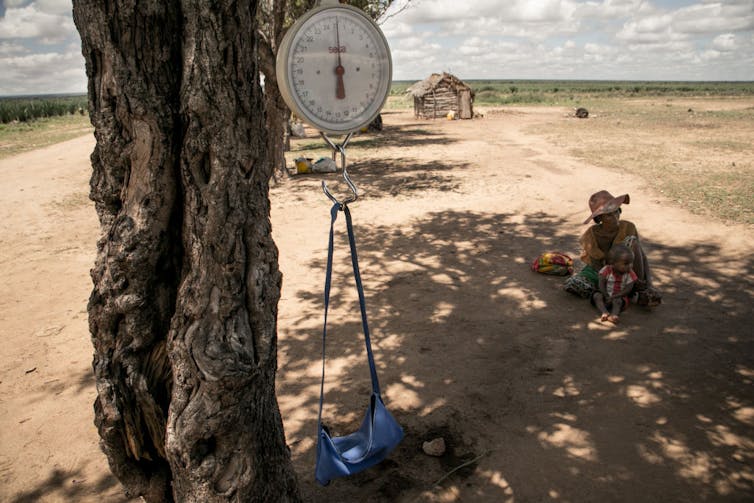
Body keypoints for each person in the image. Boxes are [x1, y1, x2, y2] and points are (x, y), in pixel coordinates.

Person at [564, 190, 662, 307]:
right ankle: (621, 292)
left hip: (628, 272)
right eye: (609, 215)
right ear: (599, 218)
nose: (615, 218)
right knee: (574, 284)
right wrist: (612, 282)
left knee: (632, 241)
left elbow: (642, 256)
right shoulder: (591, 235)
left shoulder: (628, 227)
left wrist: (649, 284)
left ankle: (639, 289)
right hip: (602, 271)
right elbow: (597, 265)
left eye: (616, 212)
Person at [593, 244, 637, 323]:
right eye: (626, 263)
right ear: (613, 263)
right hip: (605, 295)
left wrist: (615, 296)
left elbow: (628, 289)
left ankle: (614, 314)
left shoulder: (630, 273)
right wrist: (606, 295)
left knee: (618, 301)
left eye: (631, 263)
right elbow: (601, 283)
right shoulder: (606, 270)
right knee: (597, 296)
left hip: (619, 296)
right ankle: (604, 312)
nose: (630, 266)